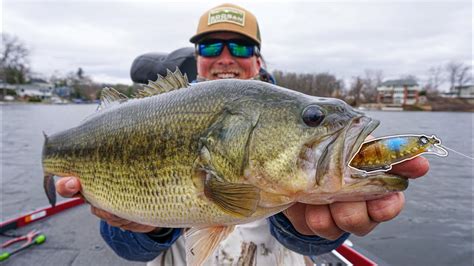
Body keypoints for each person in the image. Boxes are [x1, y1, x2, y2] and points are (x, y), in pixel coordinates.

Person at [56, 3, 429, 264]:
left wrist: (316, 231)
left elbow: (308, 240)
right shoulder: (148, 116)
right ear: (198, 56)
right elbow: (128, 250)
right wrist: (145, 227)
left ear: (258, 58)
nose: (225, 56)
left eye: (239, 46)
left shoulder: (280, 116)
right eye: (210, 45)